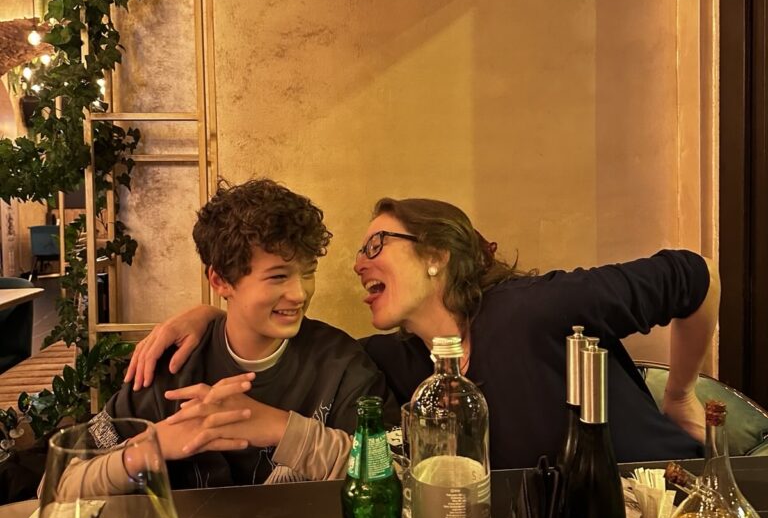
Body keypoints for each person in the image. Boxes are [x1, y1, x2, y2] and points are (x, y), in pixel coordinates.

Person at [127, 196, 719, 469]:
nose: (356, 264)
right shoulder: (404, 362)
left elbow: (699, 278)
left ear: (436, 255)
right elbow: (289, 350)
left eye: (376, 245)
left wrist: (680, 393)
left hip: (676, 508)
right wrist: (213, 315)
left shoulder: (535, 308)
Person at [80, 179, 397, 493]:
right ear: (220, 281)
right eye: (278, 277)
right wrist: (151, 447)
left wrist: (283, 429)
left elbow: (397, 477)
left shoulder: (341, 365)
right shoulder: (172, 366)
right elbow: (64, 483)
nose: (299, 293)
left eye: (308, 273)